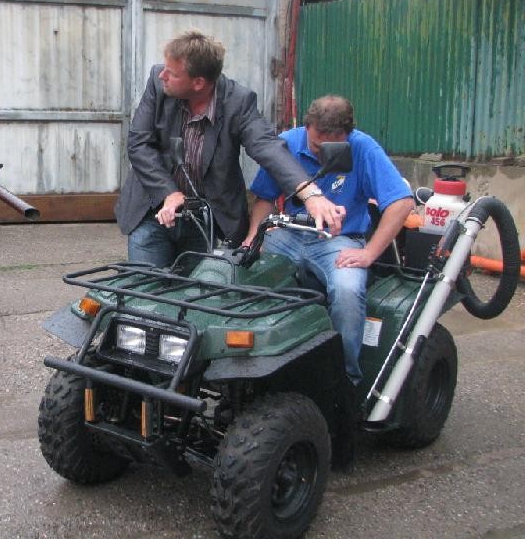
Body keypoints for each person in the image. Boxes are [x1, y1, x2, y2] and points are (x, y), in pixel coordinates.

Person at [114, 30, 344, 268]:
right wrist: (168, 193)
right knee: (144, 287)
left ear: (198, 83)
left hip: (206, 219)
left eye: (172, 73)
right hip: (153, 210)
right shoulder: (158, 82)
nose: (162, 75)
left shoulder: (238, 102)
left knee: (203, 289)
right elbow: (139, 144)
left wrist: (310, 194)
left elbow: (267, 146)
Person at [244, 95, 414, 384]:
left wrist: (370, 253)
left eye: (330, 148)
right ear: (307, 126)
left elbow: (402, 202)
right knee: (241, 271)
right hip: (290, 233)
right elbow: (264, 198)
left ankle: (345, 379)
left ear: (346, 135)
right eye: (315, 146)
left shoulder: (363, 148)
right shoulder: (288, 142)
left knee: (348, 291)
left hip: (339, 240)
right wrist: (252, 238)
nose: (321, 153)